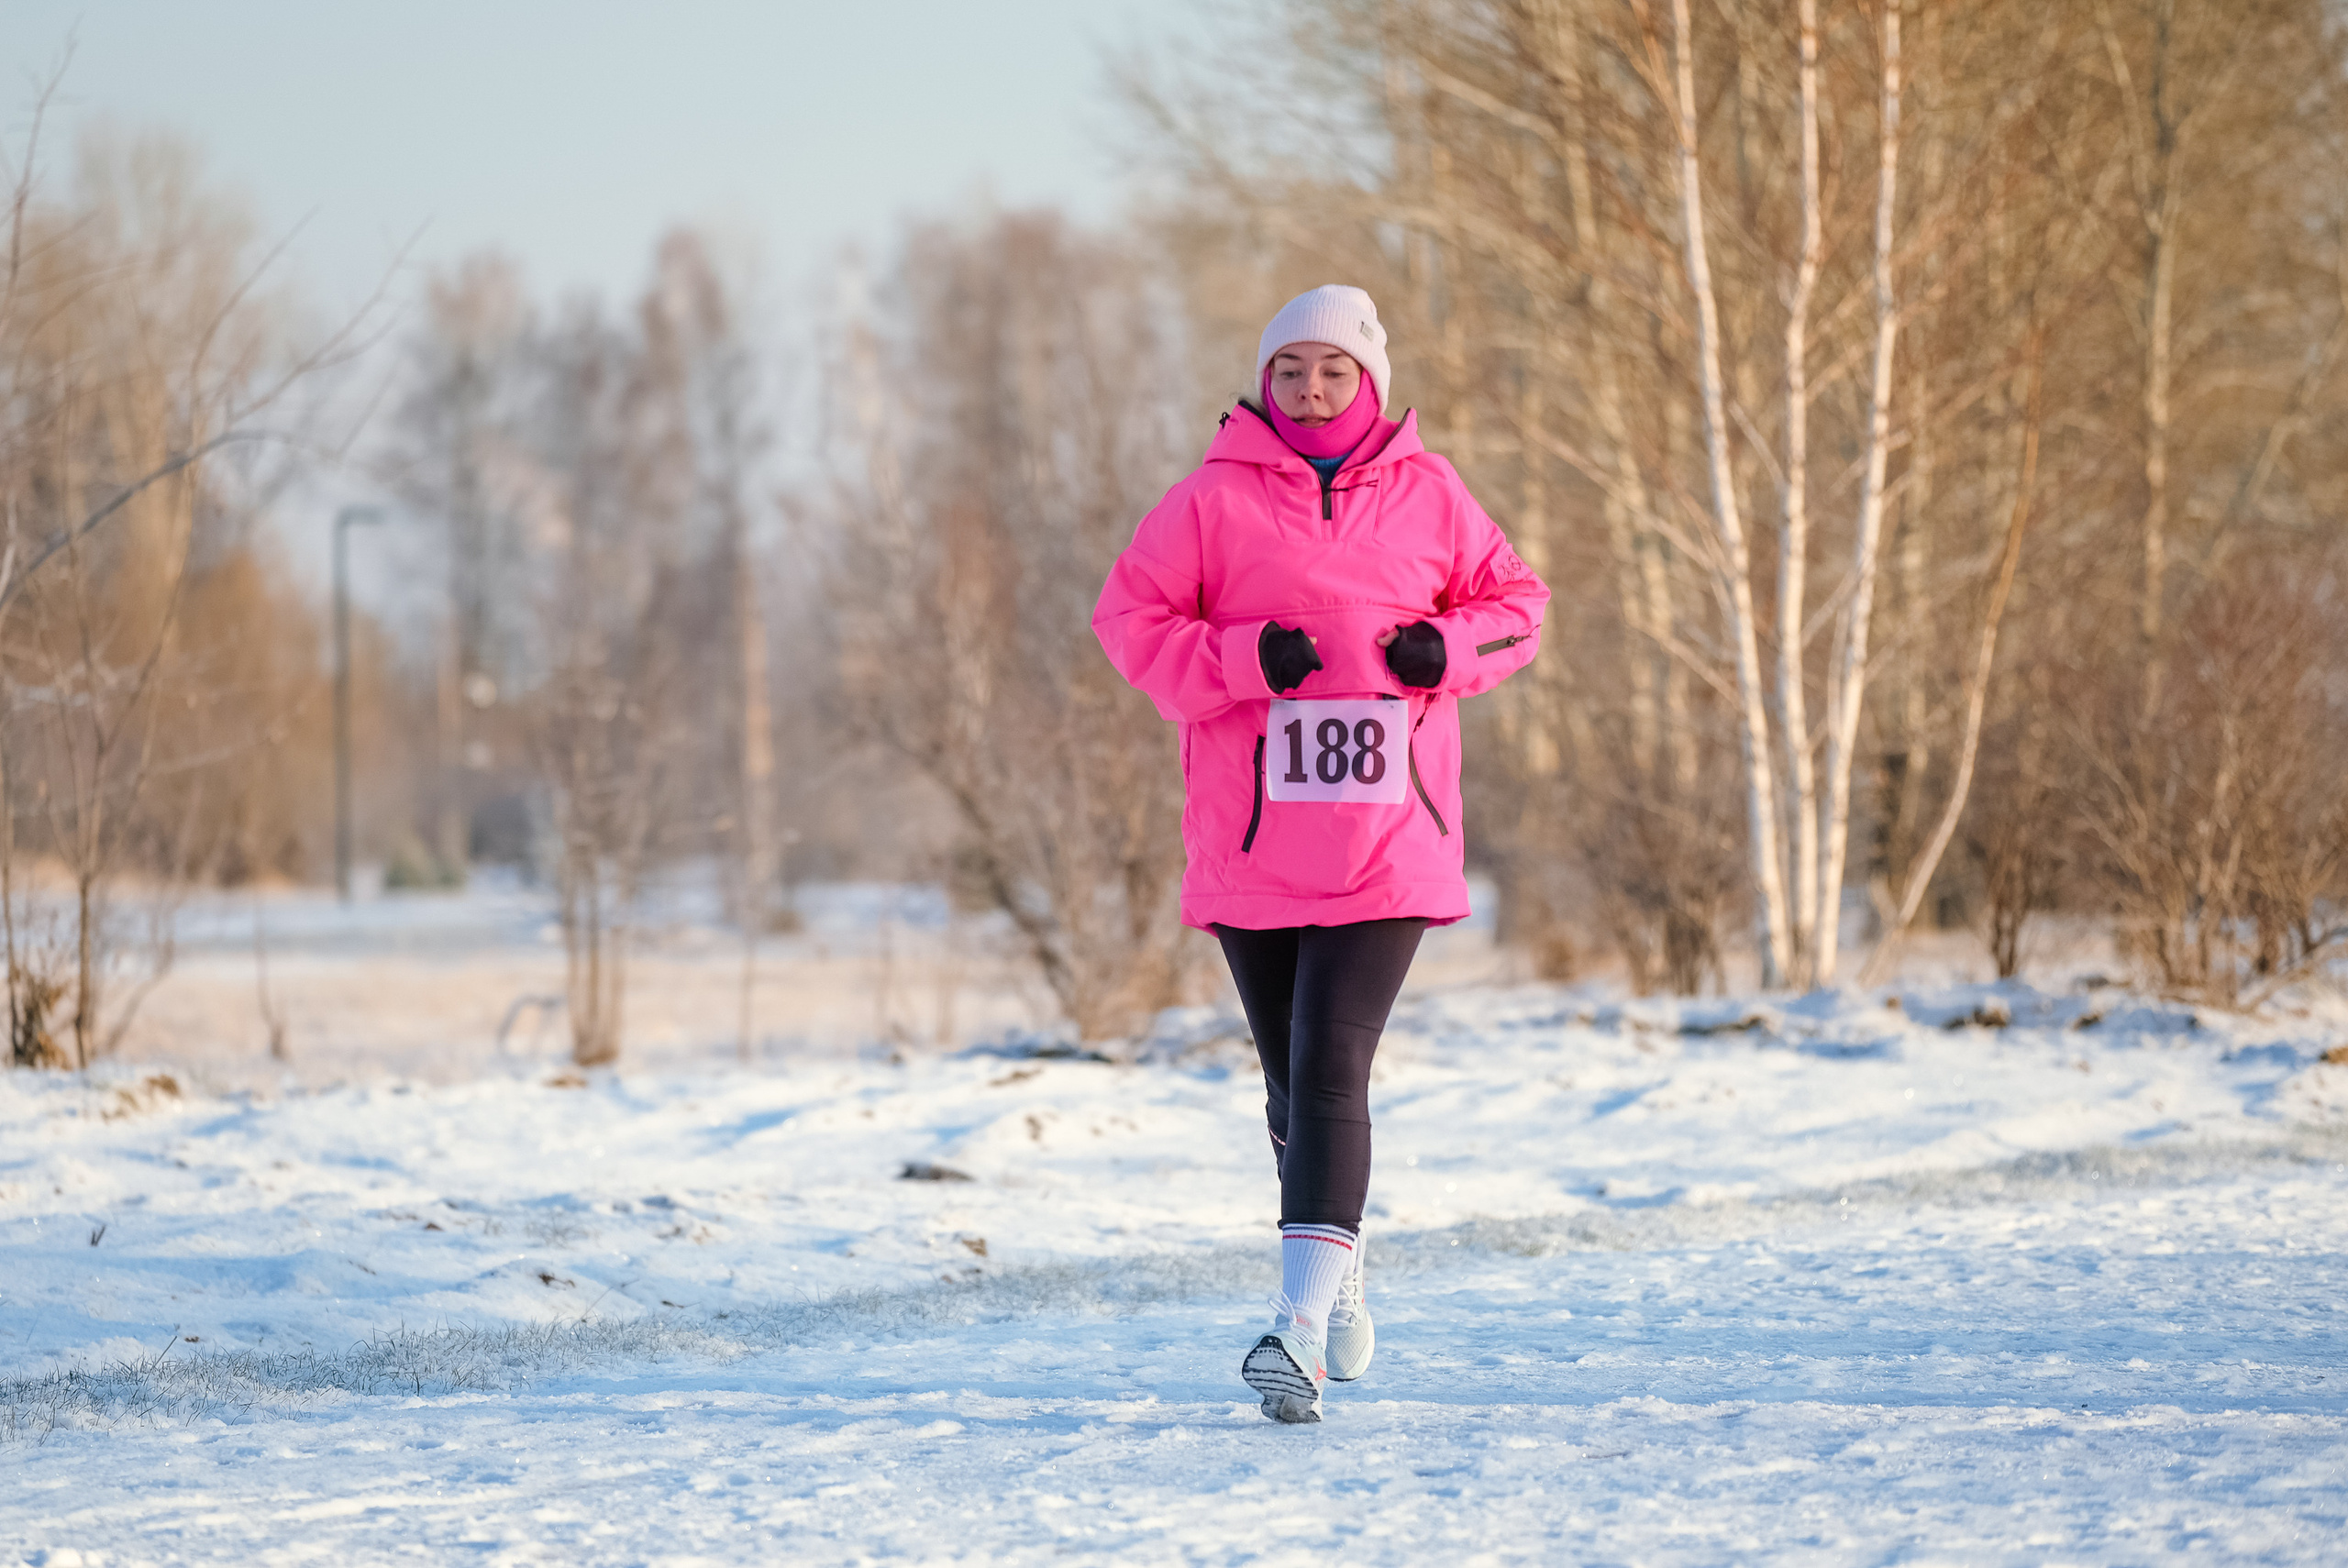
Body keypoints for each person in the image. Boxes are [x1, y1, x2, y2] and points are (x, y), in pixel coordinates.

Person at [1092, 284, 1549, 1423]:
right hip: (1254, 842)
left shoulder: (1432, 493)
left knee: (1331, 1062)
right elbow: (1130, 626)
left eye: (1332, 370)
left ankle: (1293, 1329)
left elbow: (1519, 610)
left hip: (1390, 839)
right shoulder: (1207, 501)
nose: (1310, 388)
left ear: (1370, 381)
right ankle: (1337, 1267)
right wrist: (1249, 659)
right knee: (1294, 1089)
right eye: (1289, 369)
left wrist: (1439, 647)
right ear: (1265, 380)